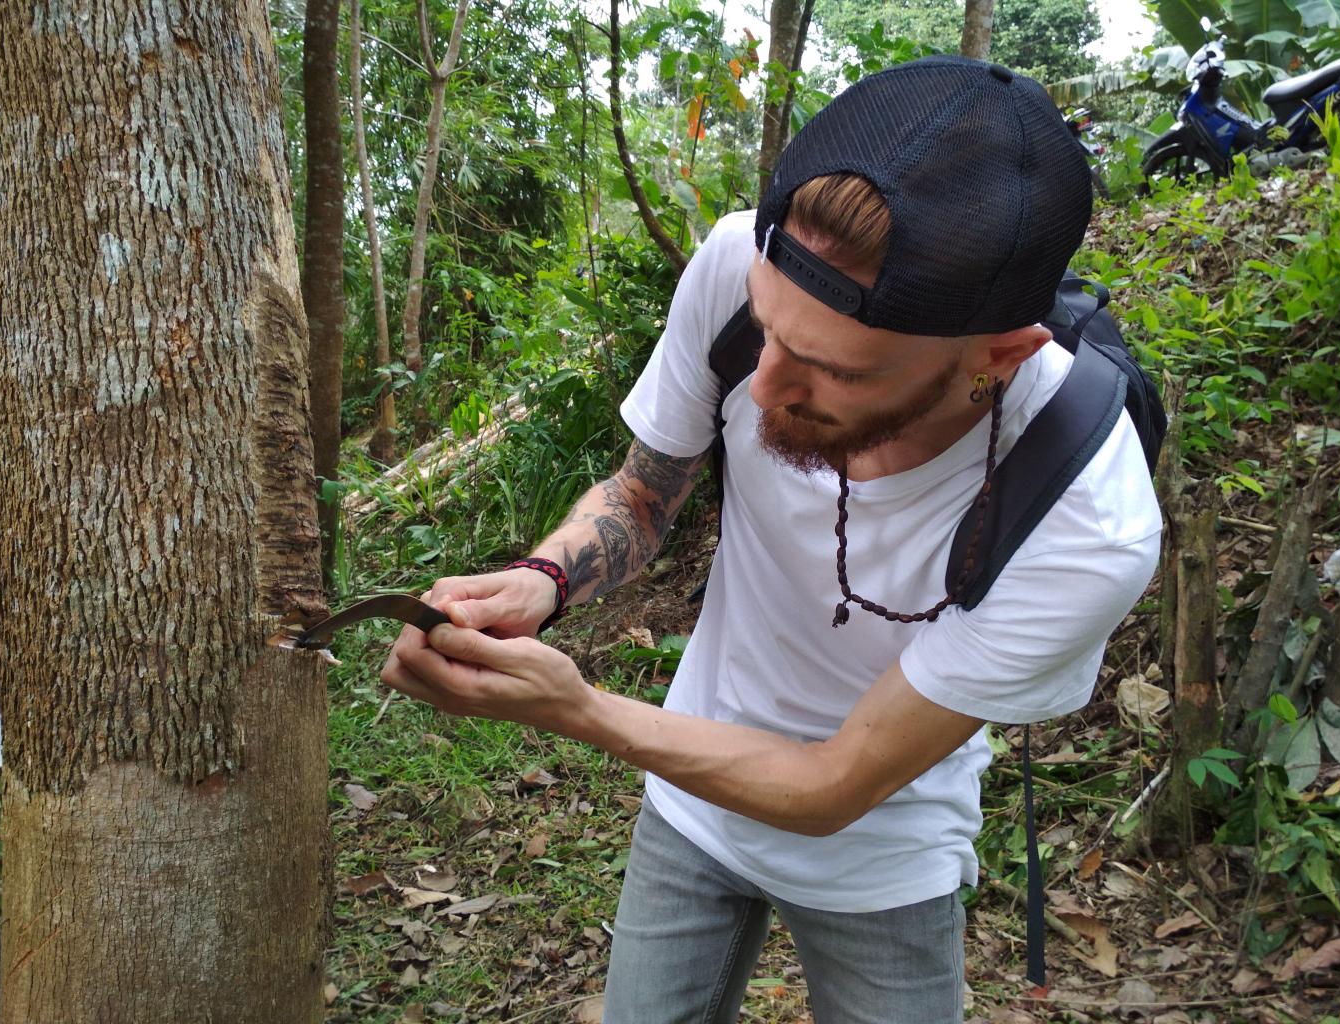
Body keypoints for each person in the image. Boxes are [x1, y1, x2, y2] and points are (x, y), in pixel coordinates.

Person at [381, 56, 1162, 1024]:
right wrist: (542, 578)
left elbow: (830, 787)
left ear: (996, 358)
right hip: (688, 791)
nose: (762, 388)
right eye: (766, 330)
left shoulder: (1086, 519)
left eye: (833, 370)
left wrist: (575, 708)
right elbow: (641, 495)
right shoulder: (732, 262)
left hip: (885, 847)